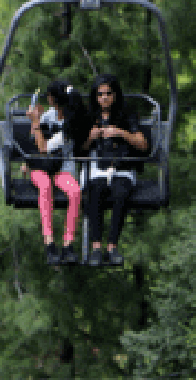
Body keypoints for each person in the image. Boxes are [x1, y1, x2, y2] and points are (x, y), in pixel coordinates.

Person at [84, 73, 148, 266]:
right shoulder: (89, 116)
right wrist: (91, 137)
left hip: (122, 167)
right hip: (98, 167)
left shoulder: (127, 114)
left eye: (108, 93)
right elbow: (80, 148)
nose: (104, 98)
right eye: (100, 94)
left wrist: (121, 133)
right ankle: (96, 247)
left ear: (115, 94)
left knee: (120, 194)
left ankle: (112, 246)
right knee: (94, 193)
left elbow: (143, 144)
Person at [24, 80, 91, 266]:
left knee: (75, 192)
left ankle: (68, 243)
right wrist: (35, 121)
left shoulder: (72, 123)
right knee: (45, 186)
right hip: (41, 167)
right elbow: (35, 144)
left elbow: (44, 147)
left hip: (62, 168)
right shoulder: (48, 115)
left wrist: (36, 122)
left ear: (54, 99)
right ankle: (49, 241)